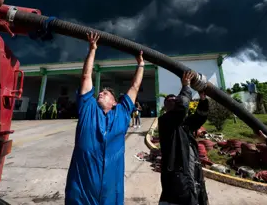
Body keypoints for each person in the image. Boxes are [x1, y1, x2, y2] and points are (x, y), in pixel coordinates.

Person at [65, 32, 145, 204]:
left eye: (106, 93)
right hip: (81, 192)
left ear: (115, 102)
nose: (100, 93)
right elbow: (86, 77)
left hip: (110, 194)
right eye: (100, 92)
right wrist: (92, 49)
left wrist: (141, 64)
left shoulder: (122, 113)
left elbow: (135, 86)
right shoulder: (88, 108)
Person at [158, 70, 209, 205]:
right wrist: (186, 86)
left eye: (174, 98)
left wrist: (203, 99)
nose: (172, 100)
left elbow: (200, 117)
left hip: (192, 177)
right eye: (168, 100)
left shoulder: (184, 124)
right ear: (166, 107)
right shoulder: (165, 121)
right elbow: (181, 108)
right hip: (177, 180)